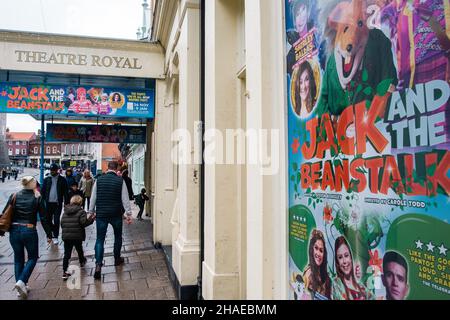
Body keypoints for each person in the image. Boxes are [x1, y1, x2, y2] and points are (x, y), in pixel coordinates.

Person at [1, 176, 52, 299]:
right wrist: (49, 234)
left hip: (14, 230)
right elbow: (44, 218)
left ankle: (21, 289)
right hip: (29, 230)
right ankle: (22, 281)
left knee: (18, 259)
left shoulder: (14, 195)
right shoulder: (37, 197)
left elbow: (4, 212)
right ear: (33, 184)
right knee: (33, 257)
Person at [89, 161, 133, 280]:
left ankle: (98, 265)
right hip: (116, 214)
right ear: (116, 168)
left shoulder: (99, 180)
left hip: (102, 214)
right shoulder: (120, 181)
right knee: (118, 237)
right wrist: (128, 214)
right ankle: (117, 259)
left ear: (108, 168)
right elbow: (125, 198)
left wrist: (90, 212)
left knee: (99, 239)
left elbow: (93, 197)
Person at [60, 195, 95, 280]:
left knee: (67, 254)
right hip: (77, 235)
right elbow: (83, 223)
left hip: (67, 236)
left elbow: (62, 223)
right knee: (79, 249)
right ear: (80, 202)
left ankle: (64, 271)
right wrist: (91, 219)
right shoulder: (81, 211)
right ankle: (82, 261)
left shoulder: (65, 211)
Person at [332, 236, 374, 300]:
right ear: (337, 262)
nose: (344, 261)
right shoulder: (335, 285)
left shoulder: (361, 287)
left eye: (346, 256)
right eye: (340, 257)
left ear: (351, 257)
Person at [41, 163, 69, 245]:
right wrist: (42, 203)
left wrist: (66, 203)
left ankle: (55, 236)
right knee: (48, 220)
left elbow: (65, 193)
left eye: (53, 170)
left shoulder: (62, 180)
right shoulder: (47, 180)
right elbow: (43, 192)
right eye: (51, 170)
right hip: (48, 204)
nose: (52, 172)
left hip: (57, 204)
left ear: (57, 170)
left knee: (56, 220)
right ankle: (52, 233)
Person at [302, 229, 331, 299]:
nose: (318, 253)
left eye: (321, 250)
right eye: (316, 248)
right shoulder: (308, 273)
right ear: (311, 249)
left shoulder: (325, 277)